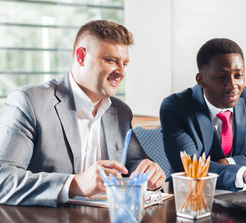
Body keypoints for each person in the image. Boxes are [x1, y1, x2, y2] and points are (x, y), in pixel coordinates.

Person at [0, 20, 165, 207]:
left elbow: (135, 162)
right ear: (81, 56)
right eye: (111, 60)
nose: (121, 72)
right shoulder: (29, 102)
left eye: (125, 63)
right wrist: (75, 184)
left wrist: (148, 171)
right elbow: (3, 179)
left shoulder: (120, 111)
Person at [160, 38, 246, 192]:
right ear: (201, 80)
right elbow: (191, 168)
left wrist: (230, 162)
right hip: (193, 198)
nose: (233, 85)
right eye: (221, 77)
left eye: (238, 75)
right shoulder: (175, 107)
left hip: (244, 196)